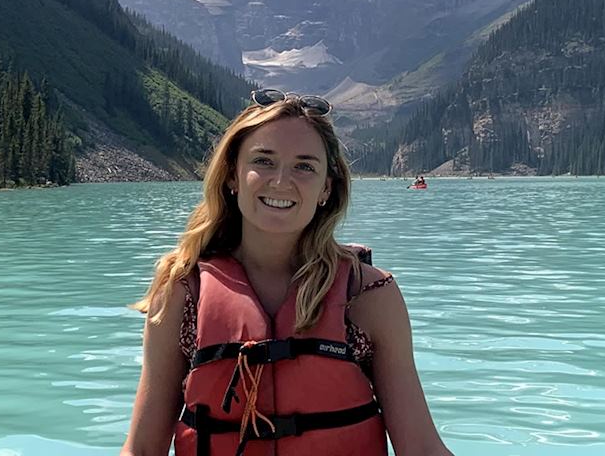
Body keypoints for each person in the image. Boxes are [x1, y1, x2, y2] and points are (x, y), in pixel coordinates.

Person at [121, 89, 452, 456]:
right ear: (232, 175)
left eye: (304, 166)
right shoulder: (184, 290)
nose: (281, 181)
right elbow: (142, 449)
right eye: (263, 161)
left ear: (327, 186)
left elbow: (421, 447)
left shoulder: (368, 295)